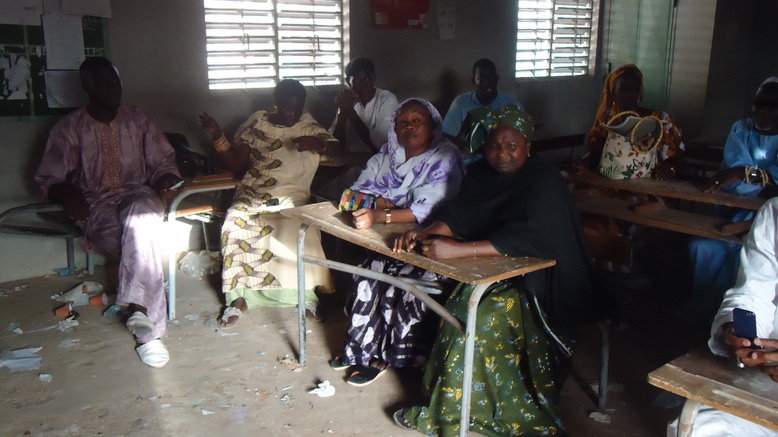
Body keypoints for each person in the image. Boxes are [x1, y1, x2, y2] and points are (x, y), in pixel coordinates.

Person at [391, 105, 600, 436]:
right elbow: (461, 214)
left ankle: (476, 412)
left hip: (543, 283)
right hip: (495, 271)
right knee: (457, 311)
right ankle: (450, 406)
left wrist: (461, 250)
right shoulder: (481, 174)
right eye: (494, 146)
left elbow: (534, 236)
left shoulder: (543, 179)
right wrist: (426, 232)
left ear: (528, 147)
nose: (502, 153)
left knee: (483, 319)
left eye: (511, 146)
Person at [35, 57, 182, 368]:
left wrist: (167, 179)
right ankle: (145, 321)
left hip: (137, 195)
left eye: (116, 81)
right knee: (145, 243)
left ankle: (143, 321)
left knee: (142, 217)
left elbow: (162, 163)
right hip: (96, 206)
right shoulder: (69, 129)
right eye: (104, 83)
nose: (113, 88)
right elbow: (49, 178)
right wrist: (68, 192)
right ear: (87, 87)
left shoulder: (138, 120)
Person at [330, 98, 465, 386]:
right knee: (367, 274)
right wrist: (380, 204)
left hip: (431, 242)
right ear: (395, 128)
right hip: (392, 239)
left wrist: (380, 212)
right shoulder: (386, 155)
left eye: (418, 121)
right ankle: (359, 348)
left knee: (399, 284)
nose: (410, 126)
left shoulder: (445, 158)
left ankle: (387, 356)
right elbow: (349, 197)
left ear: (432, 126)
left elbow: (425, 210)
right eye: (403, 122)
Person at [199, 79, 342, 328]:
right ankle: (240, 298)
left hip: (293, 197)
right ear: (276, 102)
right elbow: (235, 163)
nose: (291, 114)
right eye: (286, 108)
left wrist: (318, 144)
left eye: (296, 109)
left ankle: (305, 295)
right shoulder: (257, 124)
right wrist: (217, 134)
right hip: (254, 192)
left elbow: (338, 151)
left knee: (302, 230)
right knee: (235, 224)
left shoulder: (309, 128)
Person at [668, 197, 778, 437]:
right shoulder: (775, 212)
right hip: (770, 379)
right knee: (699, 429)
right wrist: (737, 328)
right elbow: (754, 293)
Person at [689, 77, 778, 321]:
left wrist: (743, 174)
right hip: (735, 213)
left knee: (747, 256)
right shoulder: (741, 128)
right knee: (703, 246)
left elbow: (745, 178)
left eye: (773, 106)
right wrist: (751, 177)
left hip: (770, 222)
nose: (763, 110)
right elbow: (734, 178)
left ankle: (738, 318)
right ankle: (706, 310)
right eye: (758, 103)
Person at [583, 64, 685, 180]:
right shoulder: (606, 122)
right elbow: (596, 154)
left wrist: (670, 168)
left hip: (648, 185)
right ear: (612, 92)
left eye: (635, 89)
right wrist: (583, 163)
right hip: (611, 183)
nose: (630, 94)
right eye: (624, 89)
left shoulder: (659, 119)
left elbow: (679, 158)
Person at [330, 57, 399, 154]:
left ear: (374, 78)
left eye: (367, 79)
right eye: (357, 81)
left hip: (379, 160)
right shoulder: (347, 100)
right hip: (351, 160)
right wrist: (343, 112)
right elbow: (335, 144)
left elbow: (380, 147)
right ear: (348, 81)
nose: (363, 86)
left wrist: (349, 111)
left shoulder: (387, 100)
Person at [442, 58, 523, 139]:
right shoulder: (461, 103)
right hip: (466, 151)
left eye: (491, 77)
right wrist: (469, 148)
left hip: (502, 151)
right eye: (482, 78)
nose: (487, 82)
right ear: (473, 81)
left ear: (497, 79)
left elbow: (521, 139)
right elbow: (447, 136)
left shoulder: (513, 106)